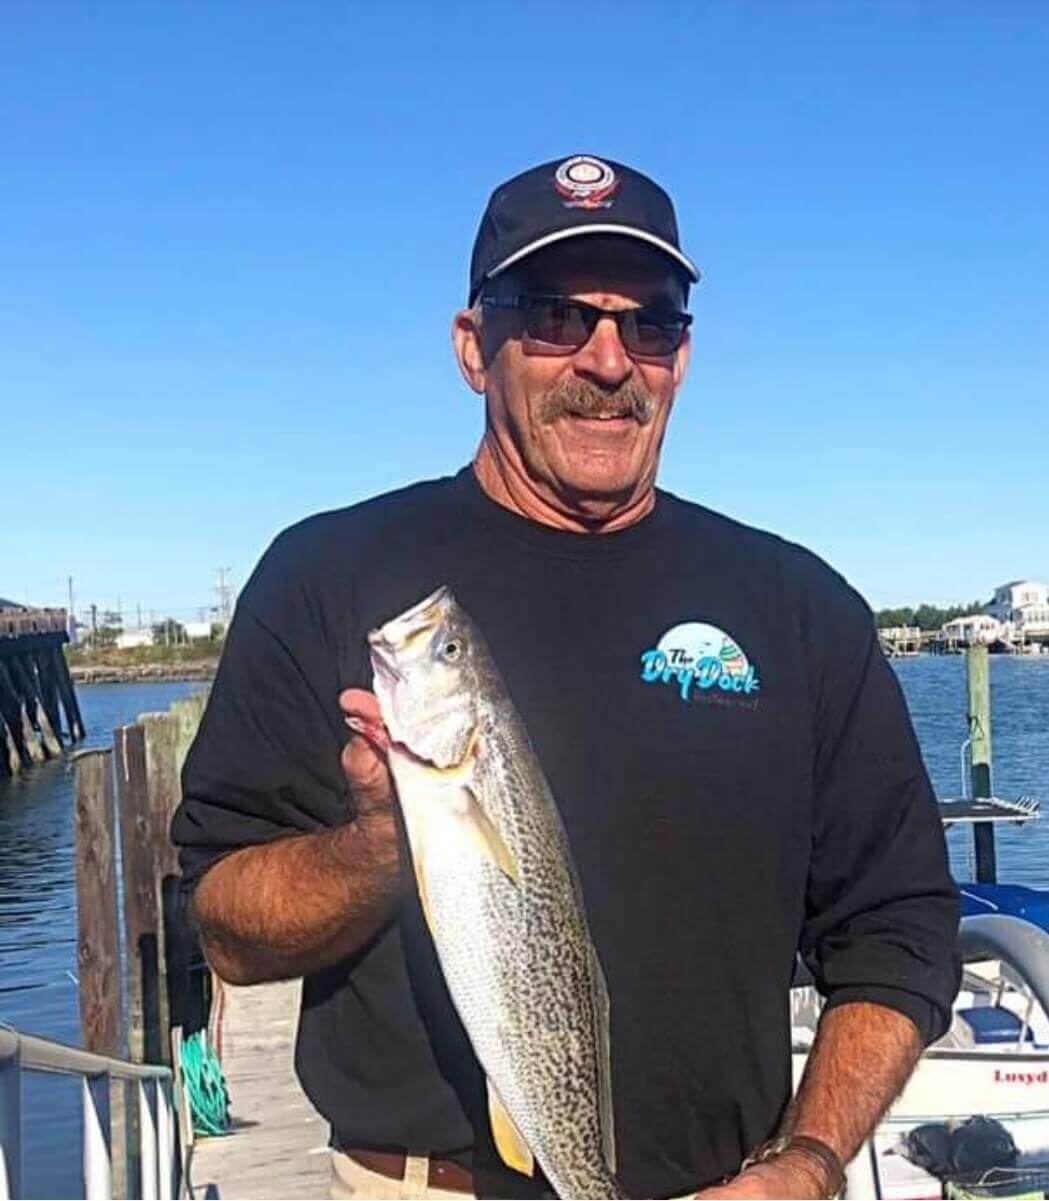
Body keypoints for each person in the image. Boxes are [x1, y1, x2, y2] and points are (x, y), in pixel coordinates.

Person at [171, 154, 960, 1200]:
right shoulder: (329, 574)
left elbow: (898, 929)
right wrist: (378, 848)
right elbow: (226, 926)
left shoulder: (799, 606)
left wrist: (808, 1164)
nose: (607, 358)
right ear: (471, 347)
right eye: (551, 315)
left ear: (682, 353)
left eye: (652, 322)